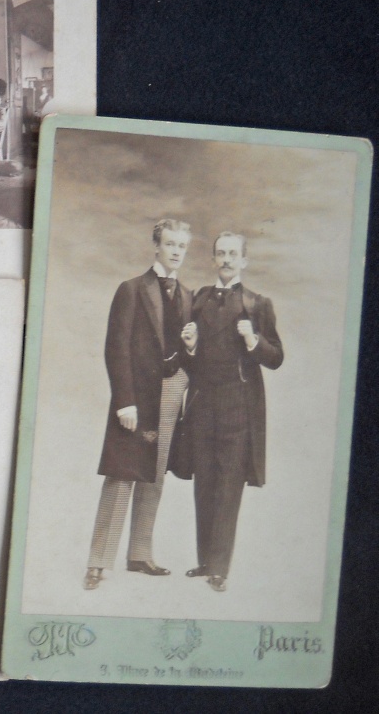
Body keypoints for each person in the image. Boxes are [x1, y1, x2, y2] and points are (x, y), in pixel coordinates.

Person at [84, 220, 195, 590]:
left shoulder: (188, 295)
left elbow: (190, 352)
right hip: (137, 395)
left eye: (182, 245)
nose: (176, 251)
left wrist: (192, 347)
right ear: (156, 246)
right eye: (170, 244)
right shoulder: (131, 289)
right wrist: (124, 401)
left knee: (155, 473)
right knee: (122, 473)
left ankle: (140, 554)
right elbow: (115, 347)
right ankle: (99, 562)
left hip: (172, 389)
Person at [169, 231, 283, 592]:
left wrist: (253, 340)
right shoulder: (198, 299)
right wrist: (190, 346)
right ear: (214, 259)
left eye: (233, 254)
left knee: (229, 485)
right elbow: (188, 359)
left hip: (238, 407)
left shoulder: (257, 303)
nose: (227, 260)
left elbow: (276, 357)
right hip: (202, 405)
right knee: (205, 482)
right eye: (221, 253)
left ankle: (220, 568)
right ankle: (205, 562)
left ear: (244, 260)